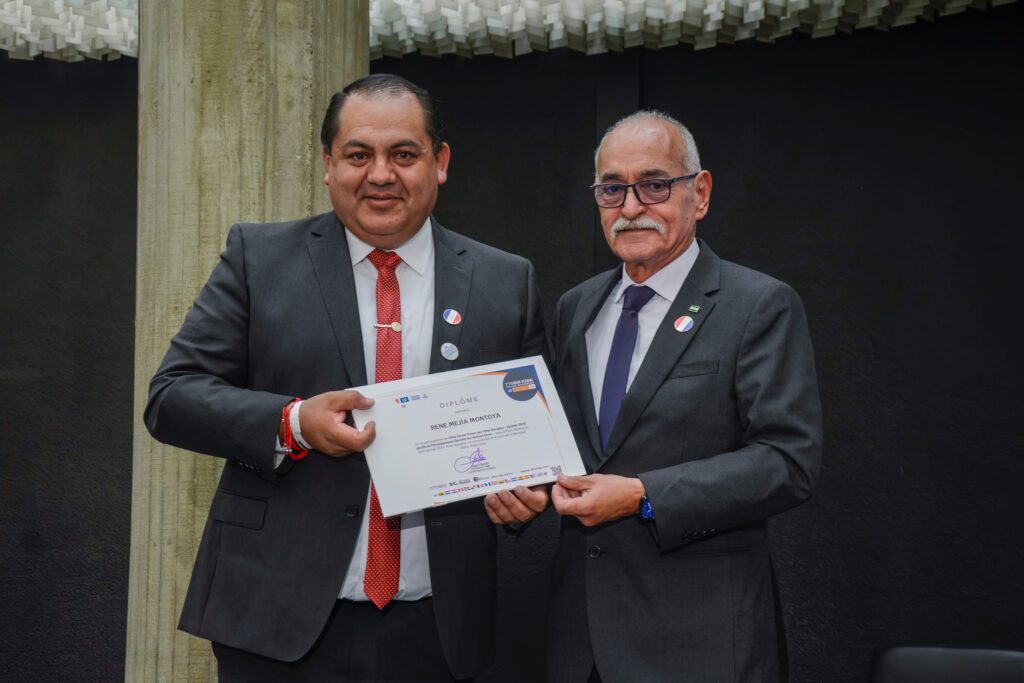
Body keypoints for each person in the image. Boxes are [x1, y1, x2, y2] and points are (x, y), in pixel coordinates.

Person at [145, 73, 548, 682]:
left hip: (438, 629)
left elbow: (534, 441)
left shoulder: (505, 281)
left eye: (404, 154)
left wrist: (525, 498)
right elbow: (171, 397)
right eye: (359, 155)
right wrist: (293, 423)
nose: (380, 174)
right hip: (275, 620)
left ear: (439, 163)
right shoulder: (258, 259)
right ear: (329, 164)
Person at [546, 111, 823, 682]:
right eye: (612, 189)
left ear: (699, 193)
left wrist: (644, 495)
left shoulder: (757, 306)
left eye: (653, 184)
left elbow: (788, 461)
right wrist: (519, 489)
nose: (630, 208)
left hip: (701, 641)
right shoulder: (576, 308)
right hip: (580, 642)